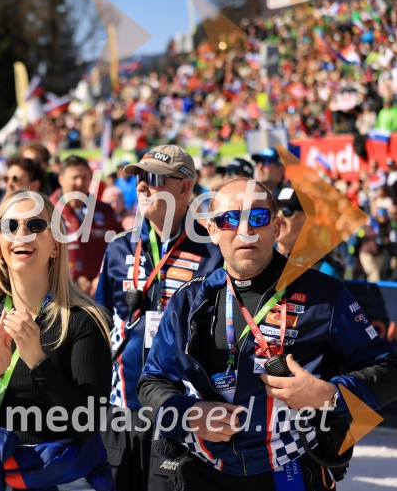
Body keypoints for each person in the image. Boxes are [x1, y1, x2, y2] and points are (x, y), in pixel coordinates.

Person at [138, 176, 397, 490]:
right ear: (212, 230)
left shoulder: (324, 293)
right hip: (203, 469)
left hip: (290, 469)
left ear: (275, 228)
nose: (246, 230)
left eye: (257, 218)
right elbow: (153, 381)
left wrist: (328, 395)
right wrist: (188, 414)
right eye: (231, 219)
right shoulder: (189, 300)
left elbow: (389, 369)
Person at [0, 190, 114, 490]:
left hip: (58, 477)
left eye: (35, 226)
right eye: (10, 226)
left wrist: (39, 362)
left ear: (56, 246)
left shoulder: (84, 318)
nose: (22, 235)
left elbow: (91, 423)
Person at [95, 144, 223, 491]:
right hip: (124, 409)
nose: (141, 186)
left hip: (182, 411)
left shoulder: (213, 251)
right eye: (138, 177)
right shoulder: (119, 247)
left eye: (153, 178)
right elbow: (100, 323)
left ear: (184, 187)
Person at [51, 155, 119, 296]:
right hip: (60, 292)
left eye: (85, 177)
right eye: (75, 177)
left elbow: (118, 248)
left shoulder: (105, 211)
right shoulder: (47, 211)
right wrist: (72, 277)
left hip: (100, 291)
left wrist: (102, 275)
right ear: (61, 179)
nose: (80, 182)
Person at [275, 187, 344, 279]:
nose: (278, 217)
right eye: (275, 210)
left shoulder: (323, 271)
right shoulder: (260, 258)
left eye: (287, 211)